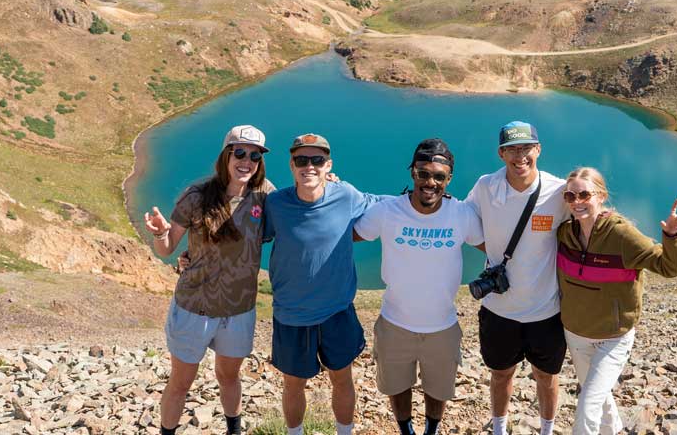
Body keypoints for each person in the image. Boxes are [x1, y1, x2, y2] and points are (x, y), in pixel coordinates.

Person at [144, 125, 273, 435]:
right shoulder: (197, 196)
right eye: (239, 153)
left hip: (239, 309)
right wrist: (161, 232)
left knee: (230, 376)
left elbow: (299, 211)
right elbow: (167, 249)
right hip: (194, 307)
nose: (247, 161)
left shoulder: (265, 194)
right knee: (181, 382)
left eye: (254, 155)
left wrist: (329, 185)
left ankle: (234, 430)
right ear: (226, 156)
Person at [354, 139, 485, 435]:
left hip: (443, 326)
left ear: (448, 179)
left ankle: (431, 430)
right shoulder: (387, 211)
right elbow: (347, 234)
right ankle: (406, 430)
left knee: (438, 388)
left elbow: (493, 245)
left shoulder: (462, 215)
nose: (430, 182)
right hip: (394, 322)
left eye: (439, 176)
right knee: (397, 385)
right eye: (423, 173)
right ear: (412, 172)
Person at [263, 133, 384, 435]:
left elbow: (385, 207)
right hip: (291, 314)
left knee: (342, 377)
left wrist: (436, 209)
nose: (309, 167)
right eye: (302, 160)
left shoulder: (345, 195)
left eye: (317, 160)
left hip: (336, 311)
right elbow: (242, 233)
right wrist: (193, 252)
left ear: (328, 164)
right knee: (293, 383)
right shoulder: (276, 204)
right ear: (291, 165)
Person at [556, 167, 677, 435]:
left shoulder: (621, 235)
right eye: (570, 196)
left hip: (613, 337)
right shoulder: (564, 234)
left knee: (587, 404)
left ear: (601, 196)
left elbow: (669, 267)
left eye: (584, 194)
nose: (577, 202)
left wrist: (672, 236)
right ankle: (615, 431)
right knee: (598, 397)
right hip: (575, 333)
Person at [465, 121, 570, 435]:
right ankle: (499, 428)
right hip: (499, 310)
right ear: (501, 153)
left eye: (526, 147)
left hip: (546, 311)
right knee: (500, 375)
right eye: (511, 148)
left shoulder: (558, 190)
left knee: (547, 377)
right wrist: (494, 253)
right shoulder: (486, 186)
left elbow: (587, 217)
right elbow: (464, 221)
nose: (519, 155)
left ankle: (547, 430)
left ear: (538, 149)